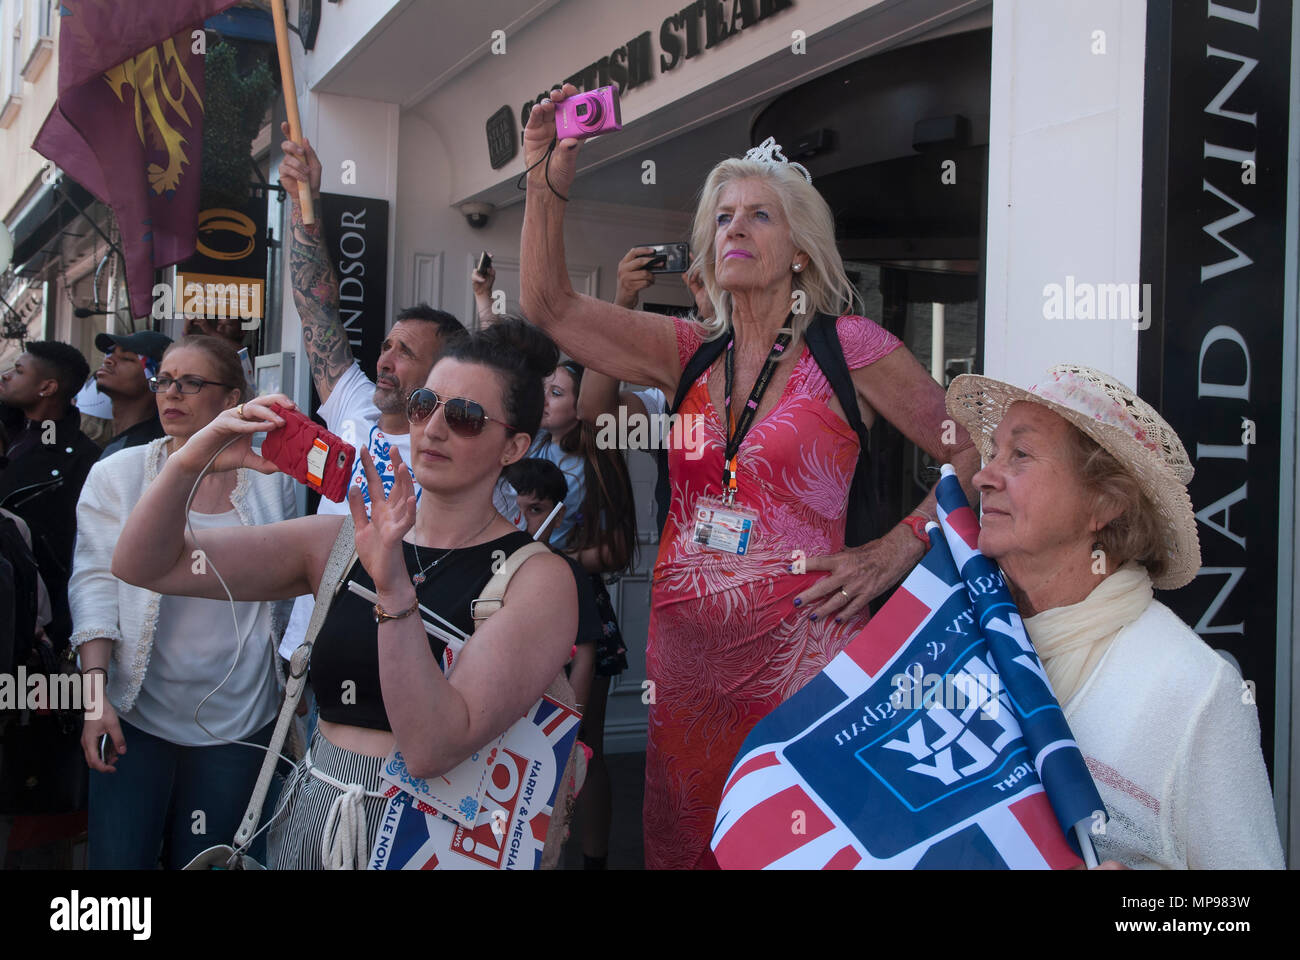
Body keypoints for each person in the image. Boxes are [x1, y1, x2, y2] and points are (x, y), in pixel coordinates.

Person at [519, 87, 981, 869]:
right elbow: (549, 305)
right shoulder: (685, 349)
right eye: (724, 216)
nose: (735, 226)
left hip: (804, 664)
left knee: (788, 847)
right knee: (685, 847)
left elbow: (973, 455)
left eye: (759, 215)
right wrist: (546, 173)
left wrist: (897, 549)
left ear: (800, 248)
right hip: (685, 674)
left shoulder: (851, 346)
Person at [109, 319, 581, 869]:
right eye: (426, 403)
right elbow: (144, 563)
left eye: (466, 419)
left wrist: (393, 586)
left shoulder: (536, 577)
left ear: (514, 446)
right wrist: (195, 456)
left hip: (435, 837)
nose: (432, 428)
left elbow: (431, 747)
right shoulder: (338, 543)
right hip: (316, 812)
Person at [946, 364, 1284, 869]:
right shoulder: (958, 636)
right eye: (993, 452)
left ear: (1104, 503)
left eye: (1020, 454)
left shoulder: (1192, 690)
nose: (983, 475)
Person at [71, 335, 296, 869]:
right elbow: (94, 588)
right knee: (118, 869)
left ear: (231, 399)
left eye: (191, 382)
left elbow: (290, 588)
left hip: (240, 722)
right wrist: (95, 700)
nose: (171, 393)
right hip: (137, 717)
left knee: (216, 861)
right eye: (164, 379)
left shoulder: (270, 482)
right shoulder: (117, 476)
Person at [275, 123, 467, 674]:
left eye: (405, 352)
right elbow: (317, 312)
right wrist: (302, 202)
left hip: (389, 665)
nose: (384, 360)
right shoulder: (354, 408)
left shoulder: (453, 456)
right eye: (385, 346)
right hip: (306, 657)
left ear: (443, 374)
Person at [93, 331, 172, 461]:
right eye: (110, 354)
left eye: (126, 358)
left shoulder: (149, 452)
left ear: (158, 380)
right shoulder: (107, 442)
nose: (108, 360)